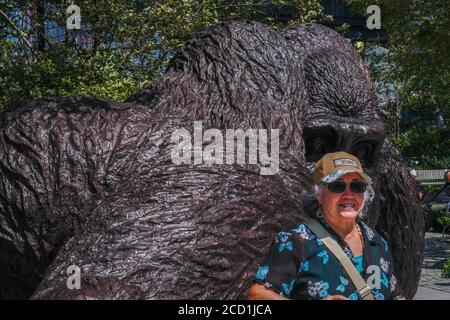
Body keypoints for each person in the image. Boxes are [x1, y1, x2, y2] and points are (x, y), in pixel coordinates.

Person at [247, 151, 405, 300]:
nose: (349, 194)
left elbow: (396, 294)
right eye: (337, 186)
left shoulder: (377, 242)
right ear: (319, 194)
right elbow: (258, 295)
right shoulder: (295, 242)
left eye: (357, 186)